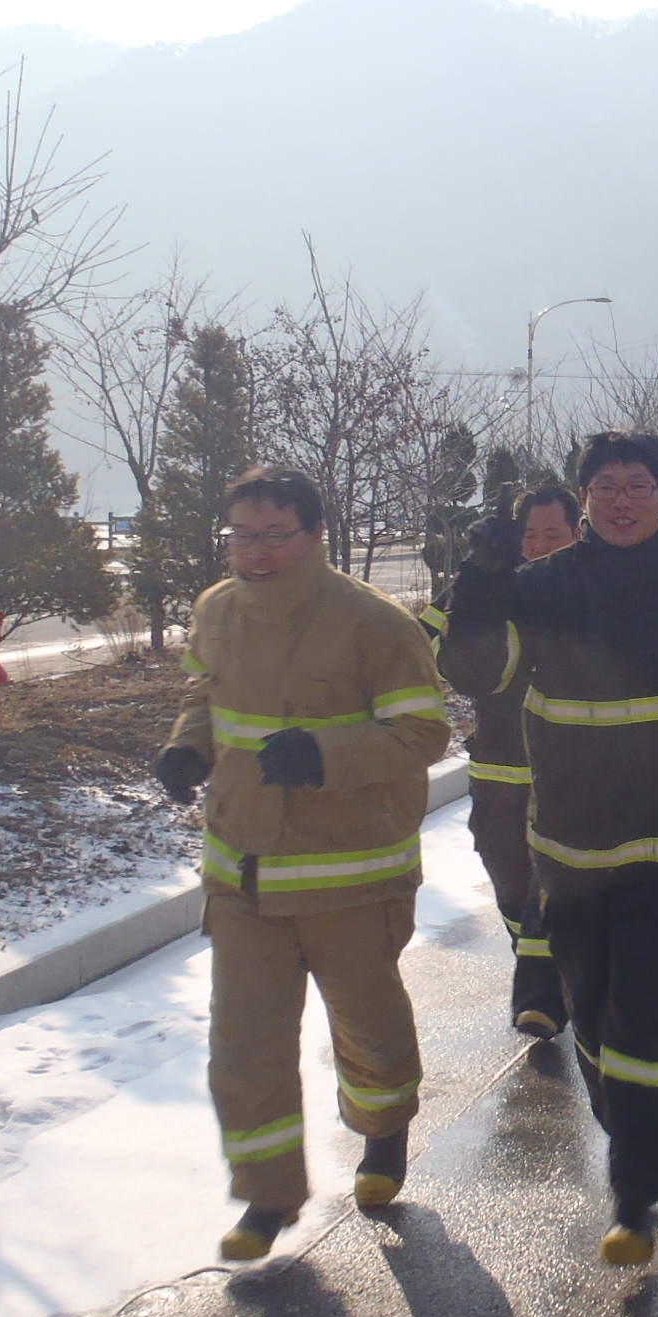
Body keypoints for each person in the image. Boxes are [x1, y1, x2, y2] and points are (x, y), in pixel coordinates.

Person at [438, 432, 658, 1266]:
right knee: (591, 1009)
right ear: (585, 498)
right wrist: (479, 580)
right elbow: (474, 671)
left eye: (639, 485)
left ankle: (637, 1189)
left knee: (656, 1005)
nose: (623, 500)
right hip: (572, 844)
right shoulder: (540, 589)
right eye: (607, 486)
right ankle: (629, 1128)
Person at [154, 468, 452, 1262]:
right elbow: (202, 696)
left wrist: (325, 753)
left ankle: (383, 1135)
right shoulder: (215, 610)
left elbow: (423, 733)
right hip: (243, 871)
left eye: (274, 536)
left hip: (349, 873)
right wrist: (187, 749)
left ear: (316, 535)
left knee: (369, 1029)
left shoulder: (374, 623)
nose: (255, 552)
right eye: (242, 536)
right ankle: (267, 1194)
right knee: (243, 1046)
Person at [420, 480, 580, 1040]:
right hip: (497, 773)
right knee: (511, 889)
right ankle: (541, 967)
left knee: (550, 889)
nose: (539, 546)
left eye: (552, 535)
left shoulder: (590, 589)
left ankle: (541, 994)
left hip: (570, 776)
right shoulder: (485, 587)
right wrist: (478, 580)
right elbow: (425, 642)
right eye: (530, 535)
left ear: (577, 533)